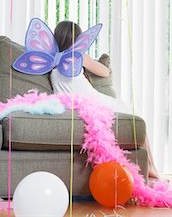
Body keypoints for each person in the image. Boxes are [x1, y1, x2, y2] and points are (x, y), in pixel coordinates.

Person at [50, 20, 159, 179]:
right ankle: (151, 166)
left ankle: (150, 167)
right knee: (136, 117)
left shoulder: (50, 62)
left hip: (71, 106)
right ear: (80, 40)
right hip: (91, 102)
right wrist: (87, 63)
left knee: (133, 116)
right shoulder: (80, 57)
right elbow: (105, 72)